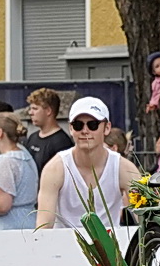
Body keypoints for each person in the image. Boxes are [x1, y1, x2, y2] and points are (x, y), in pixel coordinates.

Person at [36, 97, 139, 230]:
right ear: (70, 129)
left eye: (93, 124)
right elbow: (43, 225)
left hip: (111, 246)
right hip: (64, 246)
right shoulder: (55, 168)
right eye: (78, 125)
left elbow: (143, 219)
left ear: (107, 128)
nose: (85, 131)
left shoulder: (124, 168)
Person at [0, 113, 39, 230]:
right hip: (28, 222)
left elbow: (2, 205)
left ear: (0, 132)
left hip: (9, 229)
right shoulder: (25, 155)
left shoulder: (7, 162)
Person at [24, 87, 71, 175]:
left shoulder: (62, 143)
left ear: (48, 111)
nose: (30, 113)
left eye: (35, 109)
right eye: (30, 109)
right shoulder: (32, 137)